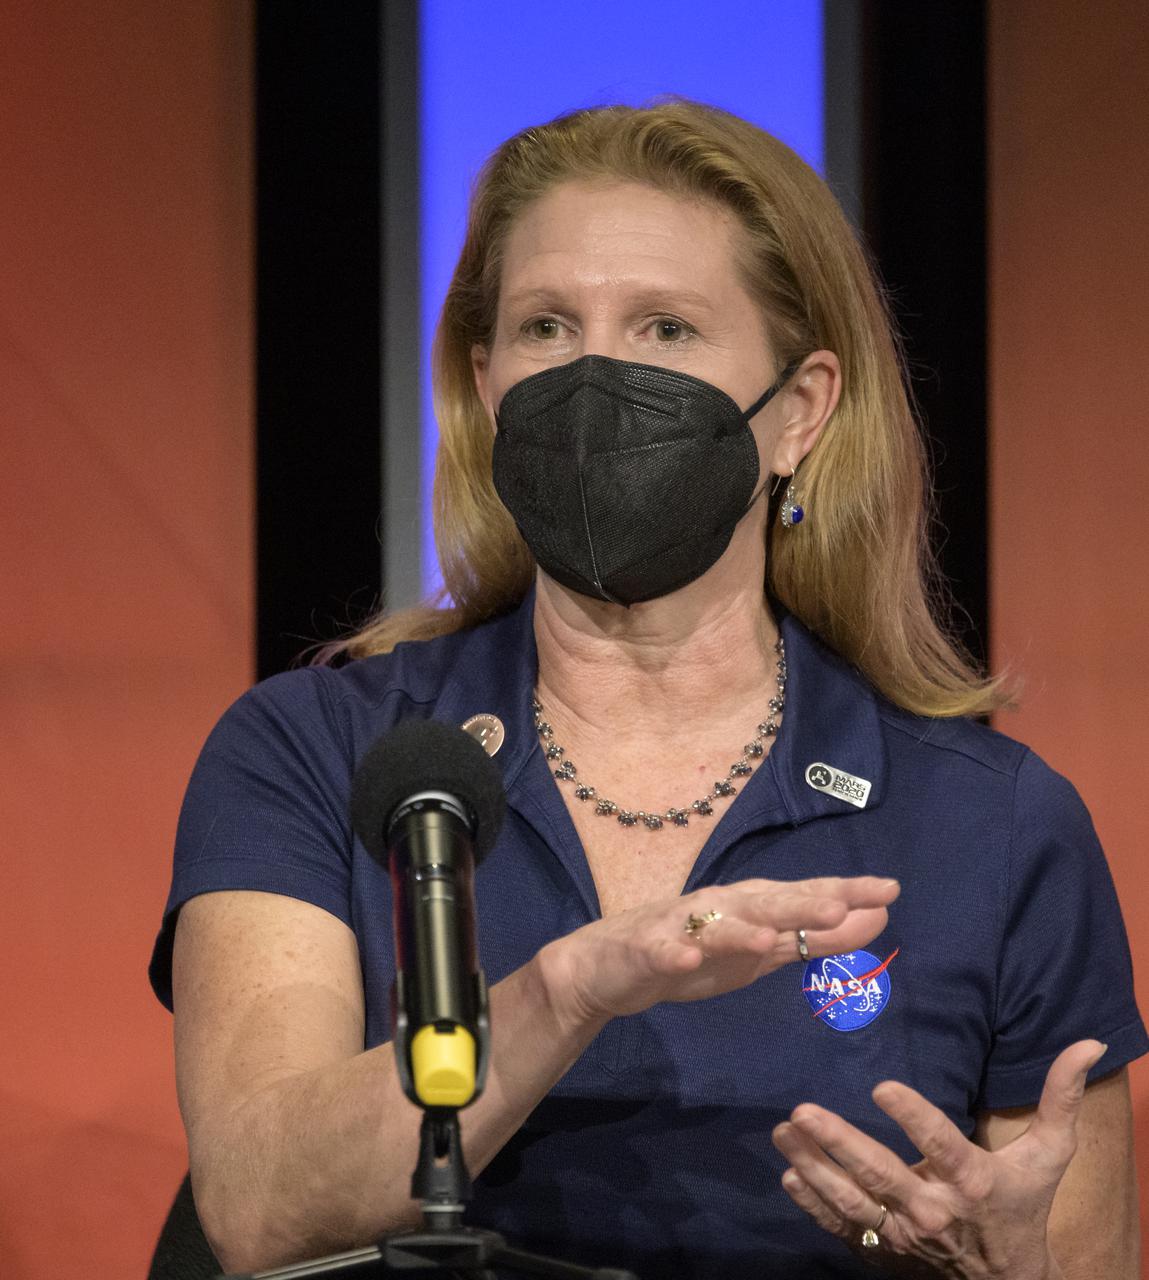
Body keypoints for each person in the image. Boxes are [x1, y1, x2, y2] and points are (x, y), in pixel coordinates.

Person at [150, 100, 1145, 1279]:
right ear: (484, 384)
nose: (595, 378)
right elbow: (260, 1199)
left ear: (801, 411)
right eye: (546, 327)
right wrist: (566, 992)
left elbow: (1071, 1252)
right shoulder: (323, 748)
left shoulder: (996, 822)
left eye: (667, 328)